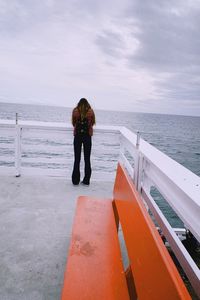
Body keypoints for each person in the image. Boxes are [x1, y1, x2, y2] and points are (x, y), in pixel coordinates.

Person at [71, 98, 96, 185]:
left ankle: (75, 181)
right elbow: (93, 122)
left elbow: (73, 123)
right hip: (87, 137)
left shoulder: (75, 110)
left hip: (77, 136)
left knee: (77, 159)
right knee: (87, 159)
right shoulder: (91, 111)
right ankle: (86, 180)